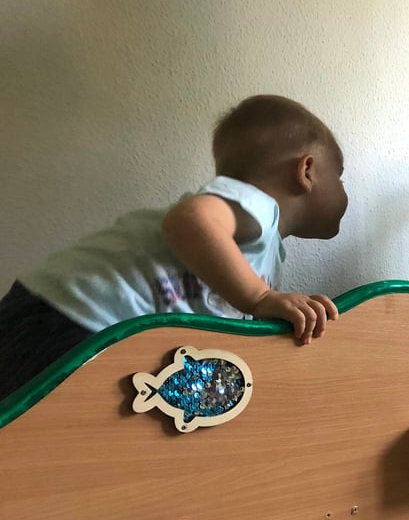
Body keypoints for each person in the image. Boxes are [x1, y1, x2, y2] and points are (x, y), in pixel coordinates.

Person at [0, 94, 349, 403]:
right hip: (72, 316)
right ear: (306, 170)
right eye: (340, 176)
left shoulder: (263, 251)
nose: (344, 190)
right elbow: (190, 220)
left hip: (86, 327)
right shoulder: (258, 206)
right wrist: (260, 298)